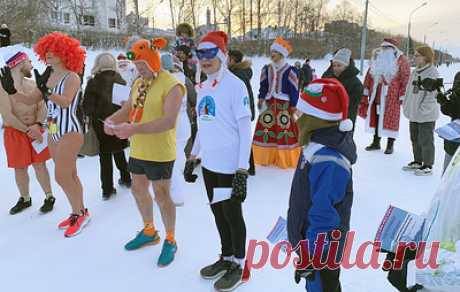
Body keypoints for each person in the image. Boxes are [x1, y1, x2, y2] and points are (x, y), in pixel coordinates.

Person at [105, 37, 185, 267]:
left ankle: (170, 239)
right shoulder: (138, 83)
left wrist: (133, 128)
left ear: (154, 61)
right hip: (139, 148)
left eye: (143, 65)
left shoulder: (172, 85)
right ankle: (149, 231)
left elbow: (169, 121)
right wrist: (111, 120)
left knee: (162, 195)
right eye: (137, 66)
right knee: (138, 190)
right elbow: (129, 108)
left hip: (160, 151)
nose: (139, 70)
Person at [183, 31, 252, 292]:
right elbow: (204, 123)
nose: (205, 59)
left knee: (232, 214)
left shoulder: (235, 85)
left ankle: (240, 263)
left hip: (230, 165)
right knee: (218, 213)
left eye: (210, 54)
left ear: (222, 55)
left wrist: (242, 170)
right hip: (210, 165)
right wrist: (193, 156)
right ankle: (226, 257)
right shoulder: (203, 86)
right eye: (201, 55)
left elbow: (246, 130)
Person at [2, 32, 88, 237]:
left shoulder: (72, 76)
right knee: (71, 175)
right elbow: (31, 100)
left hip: (70, 130)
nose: (48, 54)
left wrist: (46, 92)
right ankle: (79, 211)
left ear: (65, 53)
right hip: (53, 129)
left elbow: (66, 101)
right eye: (46, 51)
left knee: (62, 176)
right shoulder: (48, 75)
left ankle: (80, 213)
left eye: (54, 51)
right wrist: (12, 91)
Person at [287, 78, 356, 292]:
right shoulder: (315, 145)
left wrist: (313, 257)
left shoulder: (329, 159)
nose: (297, 118)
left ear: (317, 119)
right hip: (311, 243)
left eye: (303, 113)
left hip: (321, 251)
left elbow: (324, 215)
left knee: (322, 288)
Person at [0, 51, 55, 215]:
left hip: (36, 129)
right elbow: (7, 114)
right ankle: (25, 198)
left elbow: (42, 106)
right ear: (20, 62)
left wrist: (38, 124)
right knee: (20, 167)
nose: (32, 65)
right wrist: (27, 130)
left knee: (40, 165)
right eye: (29, 61)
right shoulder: (3, 86)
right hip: (15, 131)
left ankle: (49, 196)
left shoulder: (32, 83)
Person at [83, 53, 132, 200]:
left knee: (105, 156)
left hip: (101, 124)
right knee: (119, 151)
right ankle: (126, 178)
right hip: (119, 121)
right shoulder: (121, 80)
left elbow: (88, 107)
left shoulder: (93, 82)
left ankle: (107, 189)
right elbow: (125, 104)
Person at [253, 37, 300, 169]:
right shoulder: (267, 69)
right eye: (271, 51)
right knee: (266, 130)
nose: (272, 54)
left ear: (282, 54)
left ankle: (284, 159)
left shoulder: (290, 71)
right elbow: (263, 86)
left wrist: (293, 106)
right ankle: (265, 157)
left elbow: (294, 90)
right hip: (269, 104)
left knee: (283, 130)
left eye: (275, 51)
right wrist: (261, 98)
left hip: (283, 106)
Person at [359, 38, 410, 154]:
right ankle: (376, 142)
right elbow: (368, 75)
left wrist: (402, 95)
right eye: (383, 47)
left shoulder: (401, 60)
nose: (384, 50)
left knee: (391, 120)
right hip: (376, 94)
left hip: (391, 97)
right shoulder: (377, 58)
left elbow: (405, 78)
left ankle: (390, 145)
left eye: (387, 48)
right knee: (376, 118)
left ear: (393, 49)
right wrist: (365, 90)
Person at [161, 52, 196, 206]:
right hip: (184, 122)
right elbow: (193, 97)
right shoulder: (184, 79)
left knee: (170, 159)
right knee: (179, 153)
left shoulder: (163, 80)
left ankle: (176, 195)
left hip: (171, 124)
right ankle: (174, 186)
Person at [402, 46, 439, 176]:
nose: (414, 57)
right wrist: (406, 105)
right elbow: (408, 90)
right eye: (415, 55)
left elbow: (432, 96)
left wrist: (422, 110)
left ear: (425, 57)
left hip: (425, 115)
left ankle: (428, 165)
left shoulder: (432, 72)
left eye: (417, 55)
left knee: (425, 139)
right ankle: (418, 161)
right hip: (414, 112)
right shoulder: (415, 71)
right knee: (415, 138)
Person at [228, 49, 256, 175]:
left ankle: (244, 167)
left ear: (232, 60)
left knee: (241, 138)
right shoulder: (240, 72)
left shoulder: (237, 75)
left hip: (240, 111)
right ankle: (248, 167)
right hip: (244, 110)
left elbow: (239, 95)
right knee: (242, 138)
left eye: (228, 58)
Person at [322, 48, 364, 130]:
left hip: (345, 121)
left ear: (346, 66)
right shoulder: (328, 76)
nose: (336, 68)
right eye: (334, 65)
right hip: (327, 118)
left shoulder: (356, 84)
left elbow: (352, 105)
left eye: (339, 65)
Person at [438, 71, 460, 172]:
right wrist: (444, 102)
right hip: (454, 140)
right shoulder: (459, 75)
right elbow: (451, 110)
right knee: (448, 176)